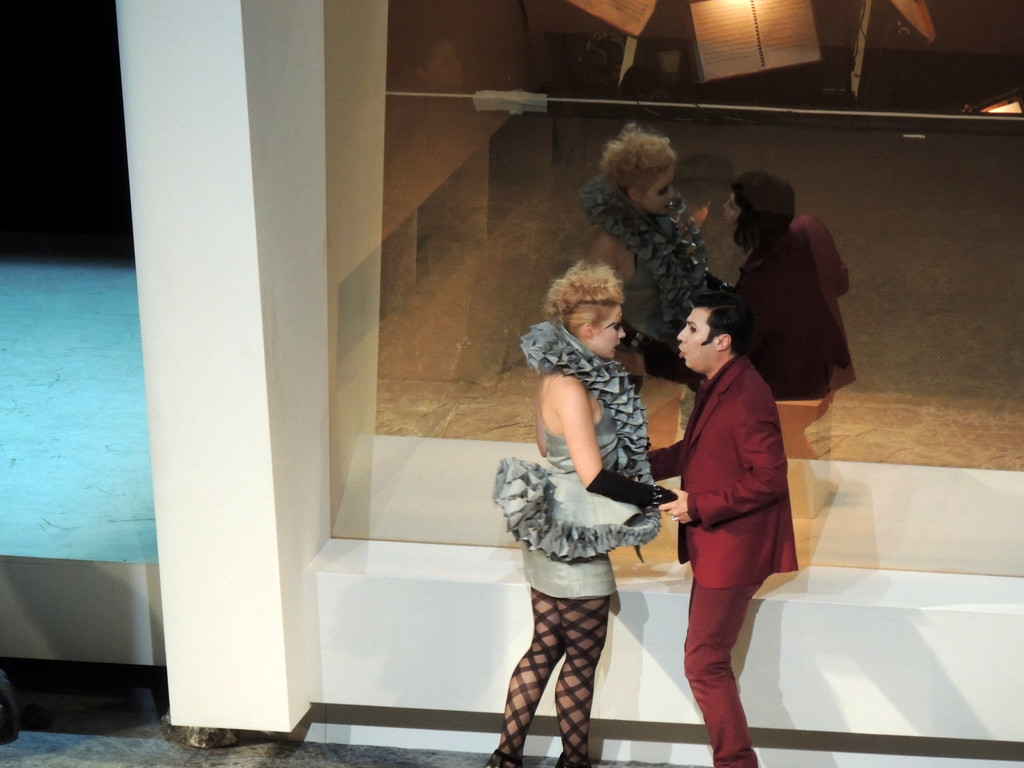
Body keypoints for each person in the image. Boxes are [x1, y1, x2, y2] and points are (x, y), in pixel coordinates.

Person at [490, 262, 674, 768]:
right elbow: (593, 476)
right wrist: (658, 497)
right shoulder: (572, 388)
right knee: (580, 660)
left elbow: (546, 447)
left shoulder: (555, 378)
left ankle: (507, 759)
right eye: (615, 326)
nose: (623, 334)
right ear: (588, 331)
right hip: (575, 535)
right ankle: (571, 763)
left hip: (552, 526)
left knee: (544, 648)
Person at [651, 291, 798, 768]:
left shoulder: (747, 394)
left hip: (734, 549)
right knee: (705, 660)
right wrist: (629, 464)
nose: (681, 336)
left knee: (704, 663)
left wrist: (699, 505)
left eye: (692, 328)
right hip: (717, 546)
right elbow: (691, 452)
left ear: (722, 341)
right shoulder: (719, 384)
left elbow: (771, 477)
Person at [580, 123, 718, 446]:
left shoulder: (666, 227)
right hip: (631, 367)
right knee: (633, 447)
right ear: (634, 195)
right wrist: (633, 362)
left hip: (664, 357)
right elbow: (588, 321)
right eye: (662, 190)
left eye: (671, 186)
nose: (672, 197)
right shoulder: (609, 244)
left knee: (663, 443)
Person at [727, 171, 854, 400]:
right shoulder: (810, 227)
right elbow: (841, 283)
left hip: (781, 387)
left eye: (732, 207)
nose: (724, 210)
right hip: (822, 369)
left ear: (753, 219)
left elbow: (740, 346)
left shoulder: (761, 277)